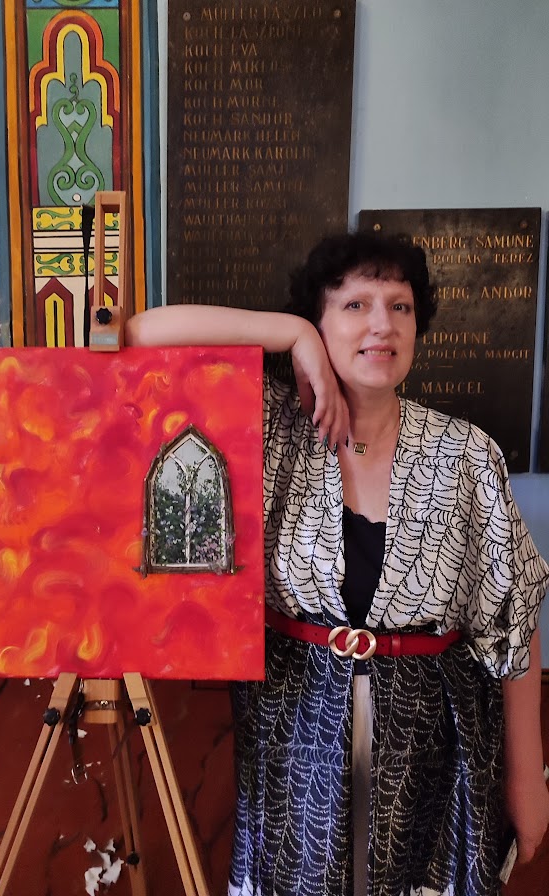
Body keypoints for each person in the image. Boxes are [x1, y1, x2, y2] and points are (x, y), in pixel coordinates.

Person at [126, 232, 549, 896]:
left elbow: (513, 623)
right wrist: (289, 333)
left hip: (434, 748)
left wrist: (527, 778)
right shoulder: (265, 428)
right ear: (320, 324)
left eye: (400, 306)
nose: (383, 324)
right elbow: (140, 334)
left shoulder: (466, 455)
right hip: (293, 732)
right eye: (355, 305)